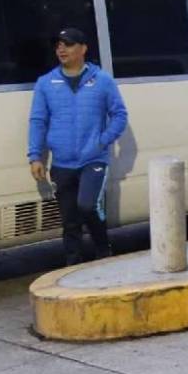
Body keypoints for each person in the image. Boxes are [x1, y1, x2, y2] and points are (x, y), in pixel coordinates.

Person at [27, 27, 128, 266]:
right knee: (70, 219)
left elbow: (119, 115)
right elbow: (38, 121)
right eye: (58, 44)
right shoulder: (46, 83)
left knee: (87, 205)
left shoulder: (102, 80)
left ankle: (103, 251)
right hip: (62, 162)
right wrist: (35, 156)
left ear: (83, 49)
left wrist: (102, 141)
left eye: (69, 44)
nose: (61, 49)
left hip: (93, 159)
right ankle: (73, 265)